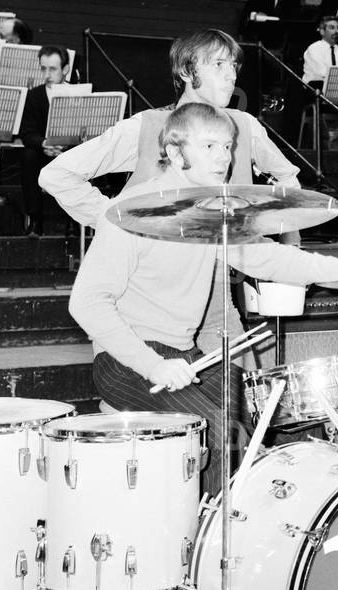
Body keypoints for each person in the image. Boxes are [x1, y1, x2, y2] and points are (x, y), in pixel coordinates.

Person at [69, 102, 338, 496]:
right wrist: (153, 365)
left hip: (182, 353)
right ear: (175, 152)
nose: (224, 157)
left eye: (227, 147)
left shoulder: (210, 213)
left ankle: (239, 522)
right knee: (217, 429)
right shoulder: (133, 213)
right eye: (209, 146)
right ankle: (208, 535)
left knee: (250, 418)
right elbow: (86, 302)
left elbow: (268, 257)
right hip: (124, 359)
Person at [41, 29, 300, 354]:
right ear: (186, 71)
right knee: (151, 399)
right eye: (218, 64)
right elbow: (59, 174)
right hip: (143, 296)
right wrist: (115, 220)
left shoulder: (245, 126)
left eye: (234, 65)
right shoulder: (146, 126)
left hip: (217, 292)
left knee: (235, 400)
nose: (231, 75)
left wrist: (288, 247)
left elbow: (288, 181)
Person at [18, 45, 72, 236]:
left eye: (53, 69)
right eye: (43, 68)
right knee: (28, 156)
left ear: (65, 69)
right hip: (43, 152)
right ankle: (35, 220)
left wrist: (66, 145)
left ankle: (73, 223)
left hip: (70, 151)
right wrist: (44, 144)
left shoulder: (78, 94)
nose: (47, 74)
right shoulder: (33, 96)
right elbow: (27, 132)